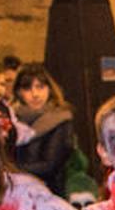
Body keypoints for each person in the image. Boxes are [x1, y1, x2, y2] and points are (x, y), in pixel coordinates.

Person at [12, 63, 75, 197]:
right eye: (28, 89)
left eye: (40, 87)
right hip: (18, 193)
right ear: (19, 92)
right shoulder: (12, 119)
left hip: (50, 193)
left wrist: (11, 170)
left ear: (49, 89)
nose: (35, 94)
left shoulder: (60, 118)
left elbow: (50, 165)